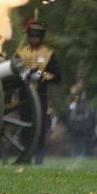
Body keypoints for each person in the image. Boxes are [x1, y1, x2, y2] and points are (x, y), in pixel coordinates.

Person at [14, 17, 61, 165]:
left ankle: (39, 158)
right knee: (26, 127)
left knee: (40, 128)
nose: (34, 38)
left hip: (40, 96)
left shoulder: (48, 54)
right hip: (24, 97)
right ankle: (25, 158)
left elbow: (57, 76)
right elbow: (13, 72)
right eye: (32, 35)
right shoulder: (20, 53)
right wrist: (22, 75)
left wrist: (42, 76)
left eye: (37, 35)